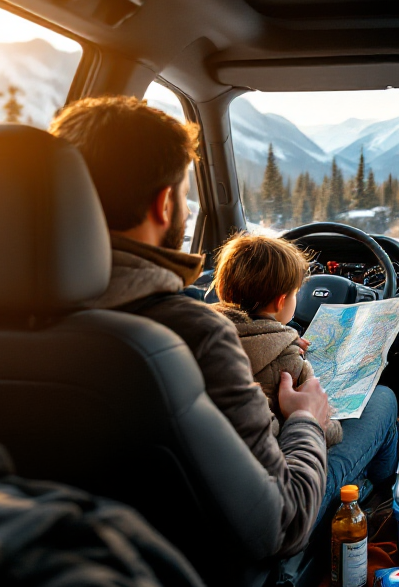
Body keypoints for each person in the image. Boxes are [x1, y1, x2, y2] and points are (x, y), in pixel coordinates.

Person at [48, 95, 380, 555]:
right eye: (185, 194)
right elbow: (283, 521)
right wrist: (305, 419)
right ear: (165, 204)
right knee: (379, 402)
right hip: (211, 569)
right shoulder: (196, 335)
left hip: (73, 553)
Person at [208, 230, 399, 521]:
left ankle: (392, 437)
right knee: (383, 398)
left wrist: (285, 338)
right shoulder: (289, 360)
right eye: (295, 293)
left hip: (233, 482)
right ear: (280, 302)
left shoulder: (204, 339)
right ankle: (380, 480)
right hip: (290, 492)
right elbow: (329, 433)